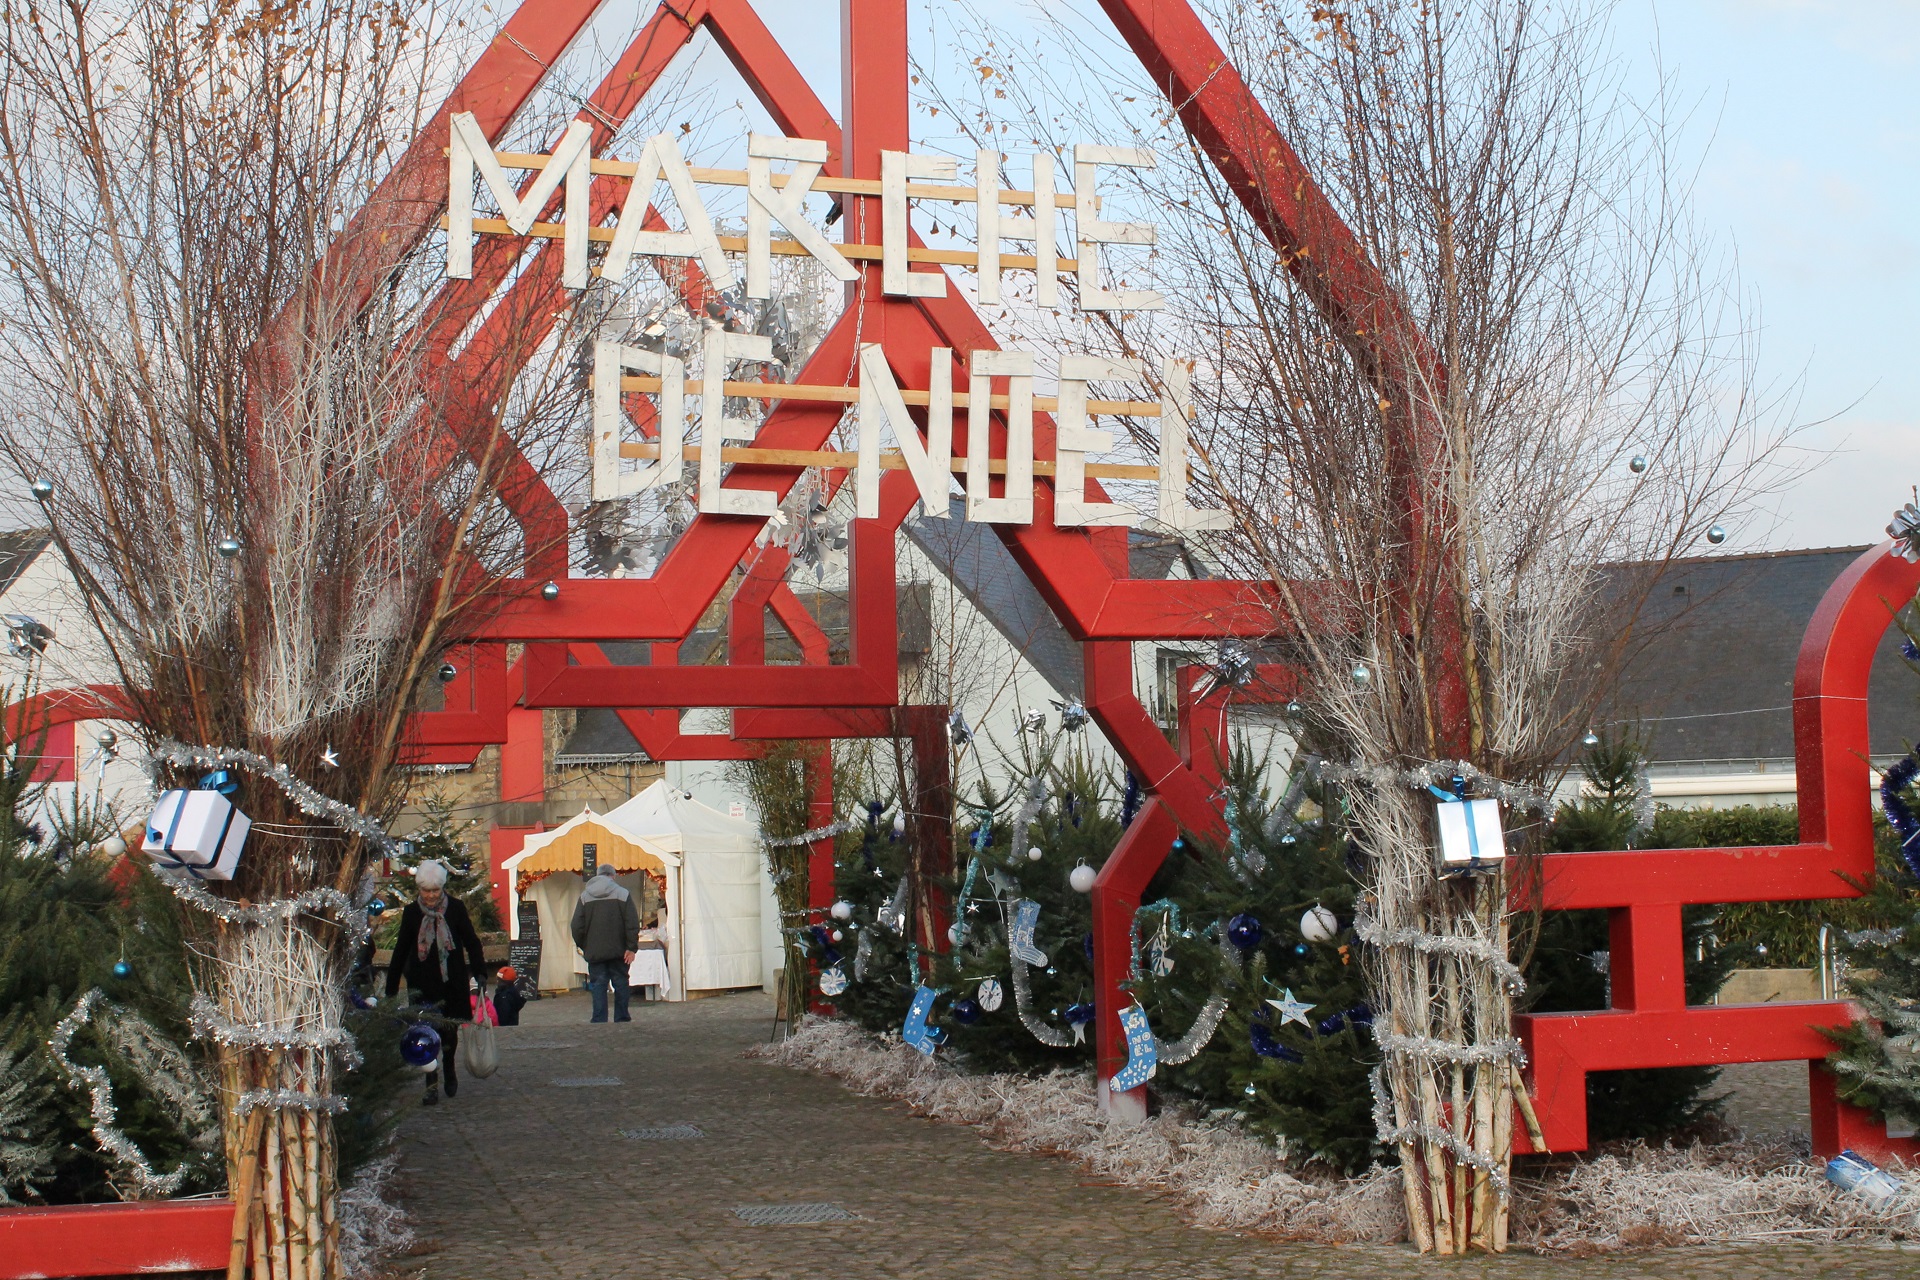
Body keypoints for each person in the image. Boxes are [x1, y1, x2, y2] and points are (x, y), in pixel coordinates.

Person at [386, 860, 488, 1104]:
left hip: (451, 980)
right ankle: (430, 1085)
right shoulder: (412, 913)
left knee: (449, 1031)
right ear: (420, 890)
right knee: (424, 1034)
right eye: (426, 891)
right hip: (422, 982)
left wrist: (480, 972)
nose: (431, 896)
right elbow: (401, 950)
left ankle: (449, 1067)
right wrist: (391, 987)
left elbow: (471, 942)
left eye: (435, 891)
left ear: (441, 888)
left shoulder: (455, 908)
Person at [570, 864, 639, 1023]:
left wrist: (585, 945)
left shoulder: (585, 896)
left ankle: (599, 1019)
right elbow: (632, 923)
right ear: (613, 876)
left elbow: (576, 926)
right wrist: (631, 948)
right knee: (621, 982)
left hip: (595, 951)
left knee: (599, 985)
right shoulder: (623, 894)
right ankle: (621, 1018)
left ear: (597, 875)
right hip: (619, 950)